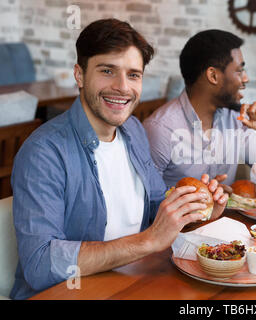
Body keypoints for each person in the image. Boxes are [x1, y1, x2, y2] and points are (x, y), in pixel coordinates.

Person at [10, 19, 227, 300]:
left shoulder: (133, 130)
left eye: (133, 75)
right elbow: (39, 264)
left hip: (130, 283)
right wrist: (147, 241)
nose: (122, 87)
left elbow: (154, 206)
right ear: (79, 75)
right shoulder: (44, 152)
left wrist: (196, 210)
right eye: (108, 71)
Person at [143, 29, 256, 189]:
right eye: (239, 71)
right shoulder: (160, 129)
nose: (245, 79)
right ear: (213, 76)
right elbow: (148, 201)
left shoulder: (235, 118)